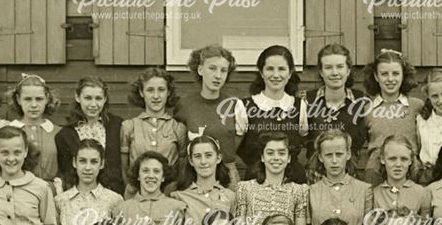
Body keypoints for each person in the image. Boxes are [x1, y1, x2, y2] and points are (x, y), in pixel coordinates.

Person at [235, 45, 309, 183]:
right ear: (261, 72)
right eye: (270, 69)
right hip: (257, 184)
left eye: (281, 69)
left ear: (290, 72)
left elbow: (307, 141)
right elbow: (235, 148)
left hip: (293, 183)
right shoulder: (245, 106)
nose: (276, 75)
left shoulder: (300, 106)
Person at [174, 45, 243, 187]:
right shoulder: (185, 105)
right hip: (194, 174)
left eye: (223, 70)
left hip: (226, 176)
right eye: (212, 68)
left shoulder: (234, 105)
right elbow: (180, 144)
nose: (218, 75)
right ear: (200, 70)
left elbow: (236, 140)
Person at [234, 133, 309, 225]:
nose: (276, 158)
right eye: (270, 153)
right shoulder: (245, 189)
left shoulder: (298, 191)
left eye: (281, 153)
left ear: (289, 158)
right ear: (262, 157)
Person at [306, 129, 373, 225]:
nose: (334, 160)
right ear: (320, 157)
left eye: (339, 154)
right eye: (329, 155)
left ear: (348, 154)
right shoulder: (310, 191)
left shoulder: (364, 190)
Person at [170, 135, 236, 225]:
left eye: (208, 155)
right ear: (191, 161)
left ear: (218, 158)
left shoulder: (230, 197)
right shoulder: (178, 196)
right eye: (198, 156)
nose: (203, 161)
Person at [56, 139, 123, 225]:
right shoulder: (60, 201)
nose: (88, 168)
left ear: (102, 164)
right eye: (82, 161)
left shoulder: (114, 200)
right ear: (74, 162)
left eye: (94, 162)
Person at [361, 49, 424, 184]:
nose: (390, 79)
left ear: (403, 75)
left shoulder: (416, 106)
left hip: (409, 171)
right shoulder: (367, 108)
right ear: (376, 77)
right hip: (376, 173)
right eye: (384, 74)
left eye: (395, 73)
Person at [121, 68, 187, 196]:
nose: (156, 96)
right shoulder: (129, 126)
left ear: (168, 92)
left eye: (161, 90)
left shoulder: (178, 128)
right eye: (150, 90)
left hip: (168, 195)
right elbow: (124, 168)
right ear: (141, 92)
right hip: (136, 195)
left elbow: (182, 169)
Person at [55, 76, 125, 194]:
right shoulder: (65, 135)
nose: (93, 104)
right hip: (81, 196)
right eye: (88, 98)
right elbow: (67, 173)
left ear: (105, 99)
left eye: (98, 98)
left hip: (114, 194)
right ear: (78, 97)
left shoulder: (117, 126)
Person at [7, 73, 62, 183]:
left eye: (39, 99)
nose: (33, 105)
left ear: (47, 99)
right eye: (27, 99)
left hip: (51, 192)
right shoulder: (9, 131)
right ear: (18, 99)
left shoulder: (58, 132)